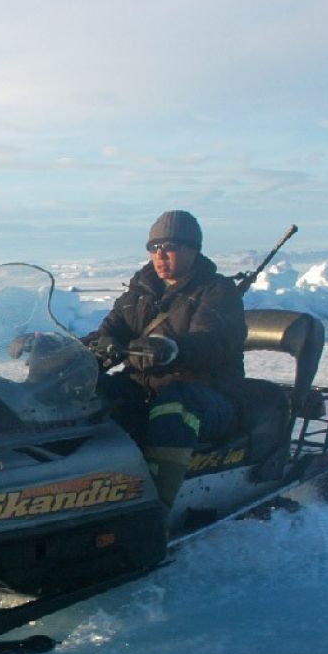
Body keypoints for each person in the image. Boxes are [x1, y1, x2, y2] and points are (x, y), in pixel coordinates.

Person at [87, 210, 247, 513]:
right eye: (154, 248)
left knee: (175, 404)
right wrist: (59, 349)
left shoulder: (217, 291)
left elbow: (213, 342)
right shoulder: (139, 293)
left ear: (192, 249)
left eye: (169, 247)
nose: (160, 256)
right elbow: (107, 335)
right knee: (90, 392)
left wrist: (171, 348)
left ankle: (157, 511)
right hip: (145, 390)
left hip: (210, 396)